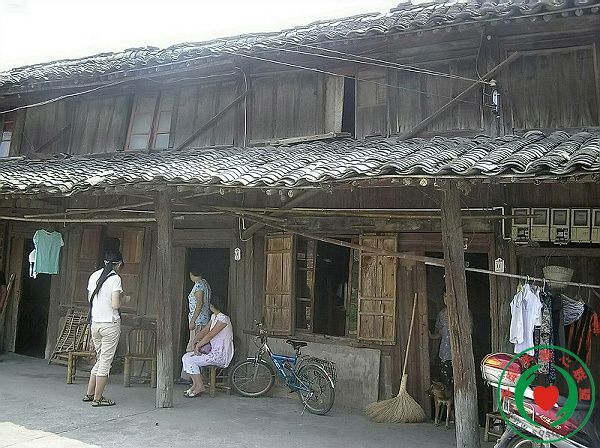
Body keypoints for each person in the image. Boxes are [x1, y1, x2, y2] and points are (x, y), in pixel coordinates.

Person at [83, 250, 129, 407]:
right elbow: (115, 305)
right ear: (119, 264)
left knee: (101, 358)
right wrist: (124, 299)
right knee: (105, 362)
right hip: (110, 323)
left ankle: (90, 393)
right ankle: (98, 398)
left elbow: (90, 299)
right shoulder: (115, 279)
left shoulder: (94, 276)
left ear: (104, 262)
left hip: (95, 323)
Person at [181, 295, 234, 398]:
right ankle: (195, 385)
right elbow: (205, 330)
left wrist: (198, 346)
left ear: (212, 306)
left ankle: (200, 387)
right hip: (211, 351)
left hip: (219, 354)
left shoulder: (223, 319)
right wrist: (195, 340)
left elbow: (210, 335)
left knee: (191, 361)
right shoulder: (214, 317)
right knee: (186, 357)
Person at [175, 269, 212, 384]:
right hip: (202, 320)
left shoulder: (199, 285)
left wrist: (193, 320)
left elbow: (199, 304)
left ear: (191, 274)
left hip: (199, 321)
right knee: (198, 347)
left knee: (193, 347)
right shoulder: (205, 283)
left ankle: (188, 376)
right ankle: (196, 376)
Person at [429, 293, 473, 387]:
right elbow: (439, 333)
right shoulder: (442, 314)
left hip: (459, 354)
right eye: (444, 296)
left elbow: (469, 332)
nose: (446, 299)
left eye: (449, 296)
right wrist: (431, 336)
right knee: (445, 383)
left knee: (459, 382)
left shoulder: (464, 312)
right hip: (444, 355)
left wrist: (454, 323)